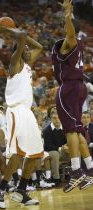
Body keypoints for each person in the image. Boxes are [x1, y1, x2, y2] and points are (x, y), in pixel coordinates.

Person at [0, 23, 44, 209]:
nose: (30, 50)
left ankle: (21, 190)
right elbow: (21, 36)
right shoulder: (15, 63)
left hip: (27, 113)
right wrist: (9, 32)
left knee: (35, 153)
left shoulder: (27, 64)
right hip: (15, 111)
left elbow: (40, 47)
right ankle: (0, 188)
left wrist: (23, 39)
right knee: (18, 152)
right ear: (19, 51)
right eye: (26, 49)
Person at [52, 0, 93, 193]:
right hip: (78, 87)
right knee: (76, 130)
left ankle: (76, 171)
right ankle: (90, 170)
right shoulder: (78, 44)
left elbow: (70, 32)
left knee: (70, 131)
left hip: (68, 88)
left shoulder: (70, 42)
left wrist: (68, 15)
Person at [42, 111, 70, 187]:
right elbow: (48, 146)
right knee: (55, 154)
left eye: (59, 118)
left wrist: (67, 146)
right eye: (54, 118)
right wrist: (60, 148)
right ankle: (56, 178)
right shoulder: (46, 130)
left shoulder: (65, 128)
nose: (57, 120)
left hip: (64, 151)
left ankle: (75, 175)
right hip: (50, 152)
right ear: (51, 119)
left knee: (75, 150)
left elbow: (69, 140)